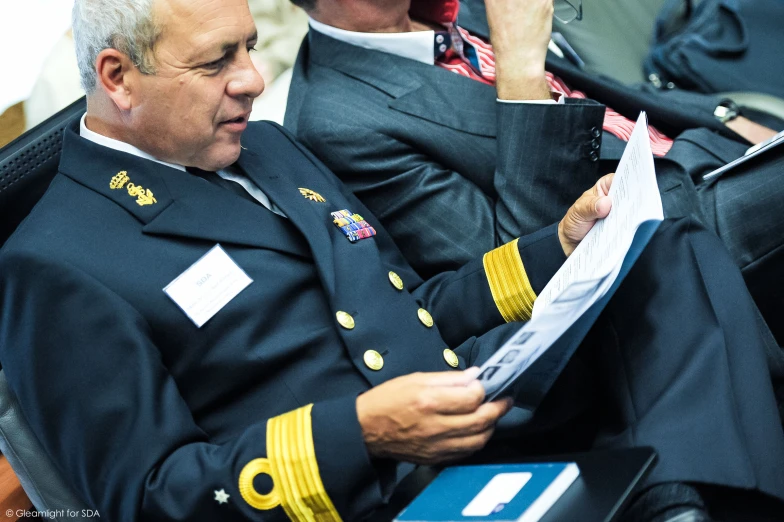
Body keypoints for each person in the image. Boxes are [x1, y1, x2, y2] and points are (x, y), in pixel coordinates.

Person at [1, 1, 783, 521]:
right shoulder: (56, 262)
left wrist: (561, 247)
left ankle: (682, 505)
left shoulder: (266, 148)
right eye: (215, 64)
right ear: (117, 79)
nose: (253, 78)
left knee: (666, 246)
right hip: (381, 492)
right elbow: (148, 497)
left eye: (247, 47)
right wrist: (365, 432)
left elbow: (413, 306)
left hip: (475, 406)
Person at [282, 0, 784, 342]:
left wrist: (724, 118)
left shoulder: (458, 10)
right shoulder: (336, 125)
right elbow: (532, 264)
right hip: (658, 242)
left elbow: (606, 97)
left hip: (700, 156)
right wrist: (520, 64)